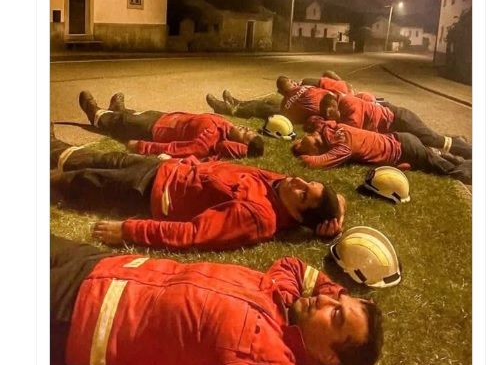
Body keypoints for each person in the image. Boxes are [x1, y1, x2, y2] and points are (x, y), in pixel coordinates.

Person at [51, 234, 383, 365]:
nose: (325, 300)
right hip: (105, 263)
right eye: (335, 300)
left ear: (329, 356)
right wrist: (342, 295)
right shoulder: (281, 294)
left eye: (336, 314)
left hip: (75, 312)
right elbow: (294, 265)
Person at [50, 129, 346, 250]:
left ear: (296, 214)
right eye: (309, 182)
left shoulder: (258, 216)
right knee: (97, 157)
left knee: (78, 180)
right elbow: (335, 201)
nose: (299, 182)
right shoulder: (282, 187)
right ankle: (52, 146)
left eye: (304, 194)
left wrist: (130, 231)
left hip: (147, 190)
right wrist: (336, 216)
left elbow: (193, 234)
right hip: (164, 167)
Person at [78, 91, 264, 160]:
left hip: (154, 130)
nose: (246, 128)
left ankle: (95, 114)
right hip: (164, 118)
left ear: (239, 144)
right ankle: (119, 109)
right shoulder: (226, 127)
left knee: (120, 123)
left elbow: (176, 149)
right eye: (249, 129)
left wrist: (143, 146)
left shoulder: (208, 141)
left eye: (246, 135)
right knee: (133, 115)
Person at [292, 118, 467, 176]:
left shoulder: (342, 147)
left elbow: (317, 163)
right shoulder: (333, 127)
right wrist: (301, 143)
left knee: (450, 171)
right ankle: (452, 155)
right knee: (433, 157)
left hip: (405, 151)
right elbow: (322, 124)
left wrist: (303, 156)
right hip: (401, 138)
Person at [320, 92, 472, 159]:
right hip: (394, 124)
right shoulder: (344, 105)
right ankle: (459, 142)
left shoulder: (348, 103)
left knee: (435, 140)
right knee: (427, 142)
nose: (332, 118)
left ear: (332, 107)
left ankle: (469, 151)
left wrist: (333, 124)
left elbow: (353, 129)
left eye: (330, 114)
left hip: (399, 119)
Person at [207, 76, 351, 125]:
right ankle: (237, 102)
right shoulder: (335, 94)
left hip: (296, 112)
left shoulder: (341, 101)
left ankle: (228, 108)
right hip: (299, 105)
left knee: (262, 108)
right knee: (265, 103)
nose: (293, 82)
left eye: (291, 81)